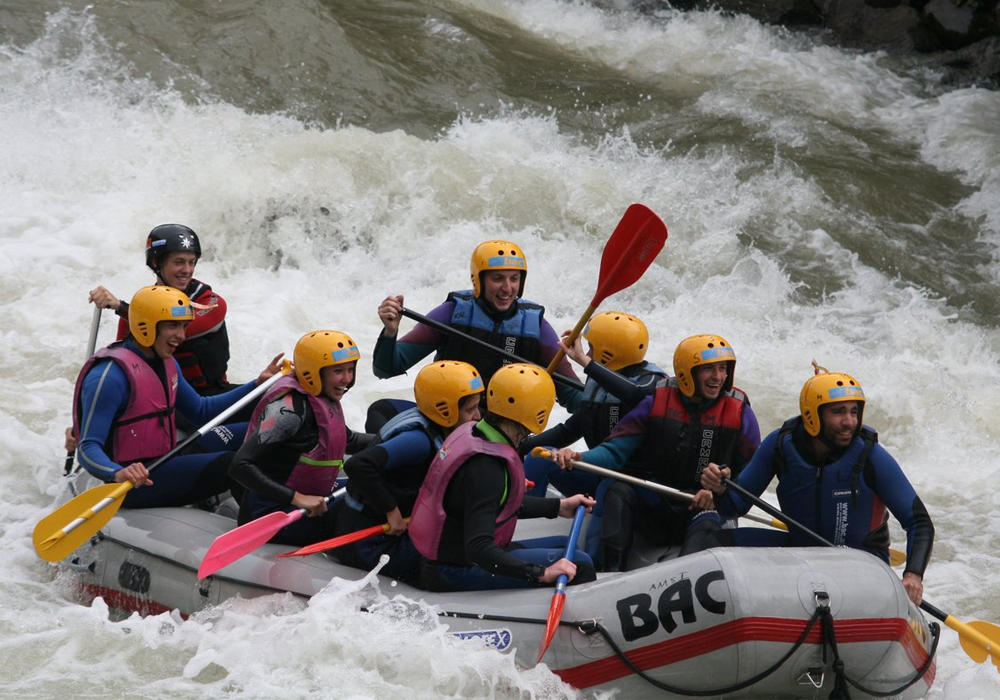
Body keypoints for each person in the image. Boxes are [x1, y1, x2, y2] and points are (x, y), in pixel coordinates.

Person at [699, 367, 934, 605]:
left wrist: (913, 576)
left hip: (860, 565)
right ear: (813, 416)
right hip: (800, 553)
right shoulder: (780, 445)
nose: (849, 422)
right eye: (838, 412)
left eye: (854, 412)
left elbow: (919, 522)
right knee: (712, 545)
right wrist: (720, 489)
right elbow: (733, 508)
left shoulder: (870, 455)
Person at [550, 334, 761, 571]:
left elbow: (752, 475)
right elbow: (614, 452)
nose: (718, 377)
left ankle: (683, 580)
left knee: (709, 522)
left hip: (703, 509)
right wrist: (579, 458)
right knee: (615, 487)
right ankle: (606, 572)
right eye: (709, 370)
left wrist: (721, 493)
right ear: (686, 373)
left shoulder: (740, 411)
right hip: (657, 500)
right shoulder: (657, 400)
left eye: (723, 369)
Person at [72, 285, 283, 508]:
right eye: (173, 326)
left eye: (183, 326)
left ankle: (296, 497)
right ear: (146, 325)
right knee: (232, 464)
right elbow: (87, 447)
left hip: (166, 457)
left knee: (266, 432)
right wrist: (118, 472)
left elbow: (202, 411)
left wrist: (257, 384)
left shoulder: (166, 362)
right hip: (133, 481)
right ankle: (269, 519)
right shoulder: (108, 377)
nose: (181, 336)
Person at [408, 363, 597, 591]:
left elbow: (494, 502)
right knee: (581, 564)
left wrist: (558, 506)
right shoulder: (487, 468)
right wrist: (541, 573)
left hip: (452, 557)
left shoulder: (475, 431)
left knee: (565, 545)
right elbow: (478, 547)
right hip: (452, 571)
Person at [371, 239, 583, 426]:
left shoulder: (535, 326)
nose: (507, 288)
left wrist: (595, 376)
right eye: (498, 278)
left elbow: (574, 397)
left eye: (514, 279)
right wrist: (391, 331)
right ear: (478, 280)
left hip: (499, 431)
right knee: (381, 412)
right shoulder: (453, 313)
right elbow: (387, 368)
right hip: (447, 422)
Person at [333, 361, 484, 581]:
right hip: (367, 545)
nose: (478, 416)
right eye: (471, 410)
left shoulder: (431, 424)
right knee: (464, 554)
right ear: (445, 409)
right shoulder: (418, 440)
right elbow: (358, 465)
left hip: (376, 534)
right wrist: (391, 511)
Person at [228, 330, 372, 545]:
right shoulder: (288, 413)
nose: (347, 379)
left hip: (302, 505)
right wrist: (298, 498)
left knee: (364, 491)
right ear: (313, 372)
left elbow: (349, 440)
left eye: (351, 370)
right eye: (339, 371)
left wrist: (392, 439)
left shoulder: (323, 397)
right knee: (362, 510)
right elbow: (239, 465)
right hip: (271, 518)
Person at [521, 311, 667, 497]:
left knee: (612, 488)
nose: (587, 353)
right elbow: (568, 430)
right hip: (600, 475)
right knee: (540, 456)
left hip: (638, 487)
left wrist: (585, 361)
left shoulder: (653, 383)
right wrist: (519, 446)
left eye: (590, 348)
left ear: (609, 354)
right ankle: (523, 513)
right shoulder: (598, 382)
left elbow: (634, 393)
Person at [88, 224, 232, 395]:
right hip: (162, 402)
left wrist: (122, 307)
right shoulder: (138, 311)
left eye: (191, 262)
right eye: (178, 262)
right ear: (156, 263)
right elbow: (121, 363)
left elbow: (182, 324)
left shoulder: (211, 302)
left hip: (213, 396)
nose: (187, 270)